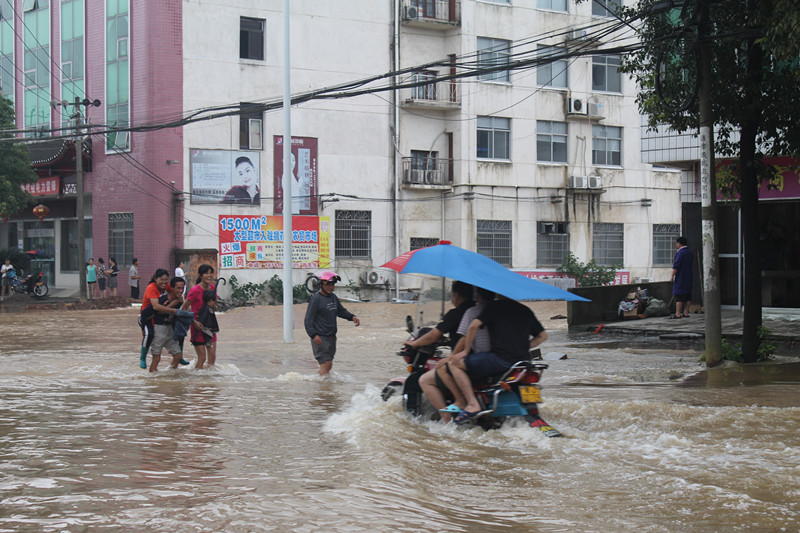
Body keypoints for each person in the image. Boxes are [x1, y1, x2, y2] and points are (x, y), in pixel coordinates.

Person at [446, 295, 548, 424]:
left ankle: (472, 404)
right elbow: (543, 336)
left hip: (500, 359)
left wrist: (465, 351)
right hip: (523, 363)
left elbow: (473, 326)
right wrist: (521, 347)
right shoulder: (525, 310)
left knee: (454, 364)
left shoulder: (494, 306)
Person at [419, 287, 493, 422]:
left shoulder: (469, 312)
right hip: (497, 357)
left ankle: (448, 416)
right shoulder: (498, 311)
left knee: (430, 376)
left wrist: (413, 344)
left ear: (457, 295)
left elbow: (460, 337)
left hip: (476, 360)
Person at [303, 271, 360, 376]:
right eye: (328, 284)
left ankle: (321, 384)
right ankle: (322, 389)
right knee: (326, 363)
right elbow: (308, 320)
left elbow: (341, 311)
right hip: (320, 337)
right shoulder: (316, 300)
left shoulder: (333, 297)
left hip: (331, 337)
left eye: (332, 284)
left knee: (327, 365)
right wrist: (314, 335)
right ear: (321, 285)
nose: (331, 287)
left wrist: (352, 317)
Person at [403, 280, 474, 353]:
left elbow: (433, 335)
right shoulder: (477, 309)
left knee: (439, 364)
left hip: (461, 358)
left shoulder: (456, 313)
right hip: (476, 354)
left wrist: (415, 343)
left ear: (456, 296)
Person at [139, 269, 182, 371]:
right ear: (155, 279)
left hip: (158, 318)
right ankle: (142, 357)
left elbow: (175, 295)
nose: (164, 282)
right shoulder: (151, 288)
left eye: (166, 280)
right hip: (146, 317)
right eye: (161, 280)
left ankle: (172, 370)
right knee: (149, 334)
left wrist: (178, 299)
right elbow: (156, 307)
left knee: (180, 331)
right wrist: (173, 310)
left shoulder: (166, 286)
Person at [181, 264, 218, 369]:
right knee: (202, 359)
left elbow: (215, 308)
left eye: (211, 273)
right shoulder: (195, 290)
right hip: (198, 326)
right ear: (200, 275)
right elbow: (184, 309)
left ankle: (208, 383)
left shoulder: (213, 289)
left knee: (212, 358)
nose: (209, 275)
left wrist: (213, 306)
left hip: (210, 325)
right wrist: (194, 322)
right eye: (206, 273)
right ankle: (196, 382)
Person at [148, 276, 187, 372]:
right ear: (172, 288)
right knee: (156, 358)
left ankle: (169, 375)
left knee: (177, 356)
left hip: (170, 330)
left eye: (182, 288)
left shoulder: (180, 301)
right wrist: (176, 303)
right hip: (158, 330)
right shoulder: (162, 299)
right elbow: (160, 311)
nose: (181, 291)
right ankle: (153, 381)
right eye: (178, 288)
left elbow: (184, 313)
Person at [670, 236, 694, 319]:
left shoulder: (680, 253)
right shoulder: (690, 252)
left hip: (681, 276)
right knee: (688, 295)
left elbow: (676, 265)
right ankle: (686, 312)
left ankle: (678, 313)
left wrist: (672, 276)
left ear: (679, 243)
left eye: (677, 243)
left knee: (679, 295)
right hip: (689, 276)